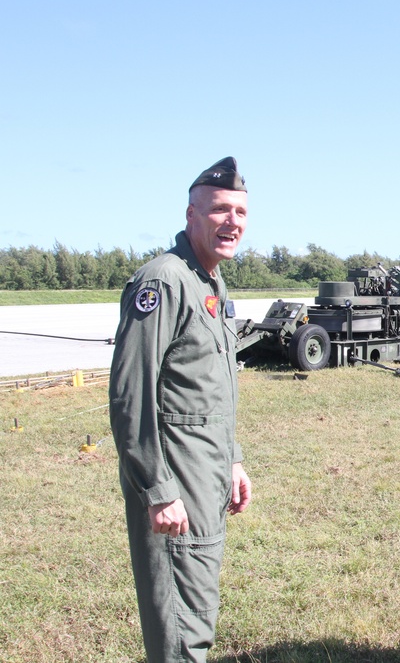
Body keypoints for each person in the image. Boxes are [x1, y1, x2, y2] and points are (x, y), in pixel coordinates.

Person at [109, 157, 253, 662]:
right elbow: (131, 394)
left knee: (197, 614)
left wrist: (232, 458)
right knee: (179, 634)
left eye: (240, 211)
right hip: (175, 489)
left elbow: (208, 389)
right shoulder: (165, 281)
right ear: (191, 214)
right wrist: (157, 489)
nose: (231, 221)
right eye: (219, 210)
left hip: (206, 476)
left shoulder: (209, 283)